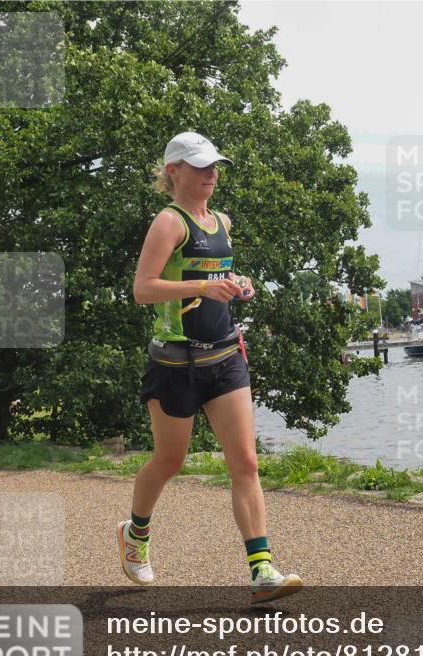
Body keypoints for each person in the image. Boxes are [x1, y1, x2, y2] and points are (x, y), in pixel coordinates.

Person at [120, 131, 302, 604]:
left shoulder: (221, 221)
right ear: (173, 171)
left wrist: (237, 283)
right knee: (170, 461)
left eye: (214, 166)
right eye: (200, 166)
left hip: (224, 356)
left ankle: (261, 568)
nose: (210, 174)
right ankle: (136, 533)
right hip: (174, 362)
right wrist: (201, 287)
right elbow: (143, 289)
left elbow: (215, 279)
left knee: (245, 461)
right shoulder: (169, 222)